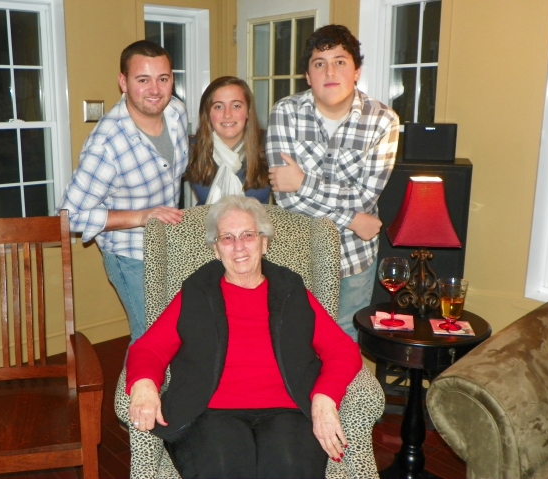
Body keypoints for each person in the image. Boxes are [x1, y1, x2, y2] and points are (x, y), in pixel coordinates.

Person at [126, 195, 362, 479]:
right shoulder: (197, 292)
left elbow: (342, 349)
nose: (238, 246)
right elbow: (150, 347)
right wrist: (144, 385)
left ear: (263, 243)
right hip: (210, 411)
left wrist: (324, 398)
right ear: (216, 249)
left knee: (289, 469)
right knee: (223, 470)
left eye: (248, 235)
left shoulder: (291, 290)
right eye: (227, 238)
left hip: (287, 409)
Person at [266, 24, 400, 341]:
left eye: (340, 61)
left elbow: (364, 197)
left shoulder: (383, 120)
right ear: (307, 75)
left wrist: (302, 181)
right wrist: (353, 219)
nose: (330, 71)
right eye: (319, 63)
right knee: (291, 340)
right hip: (295, 251)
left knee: (342, 343)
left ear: (356, 71)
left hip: (353, 258)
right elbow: (286, 200)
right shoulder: (285, 112)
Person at [59, 40, 188, 344]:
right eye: (143, 80)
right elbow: (69, 216)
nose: (155, 89)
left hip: (168, 245)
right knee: (150, 339)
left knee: (177, 331)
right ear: (123, 82)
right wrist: (142, 216)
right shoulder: (107, 144)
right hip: (129, 254)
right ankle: (132, 394)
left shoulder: (177, 113)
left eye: (163, 78)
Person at [186, 76, 270, 205]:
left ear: (248, 111)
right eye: (218, 107)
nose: (227, 114)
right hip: (205, 224)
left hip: (257, 224)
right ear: (207, 113)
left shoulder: (269, 145)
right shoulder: (190, 148)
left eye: (236, 106)